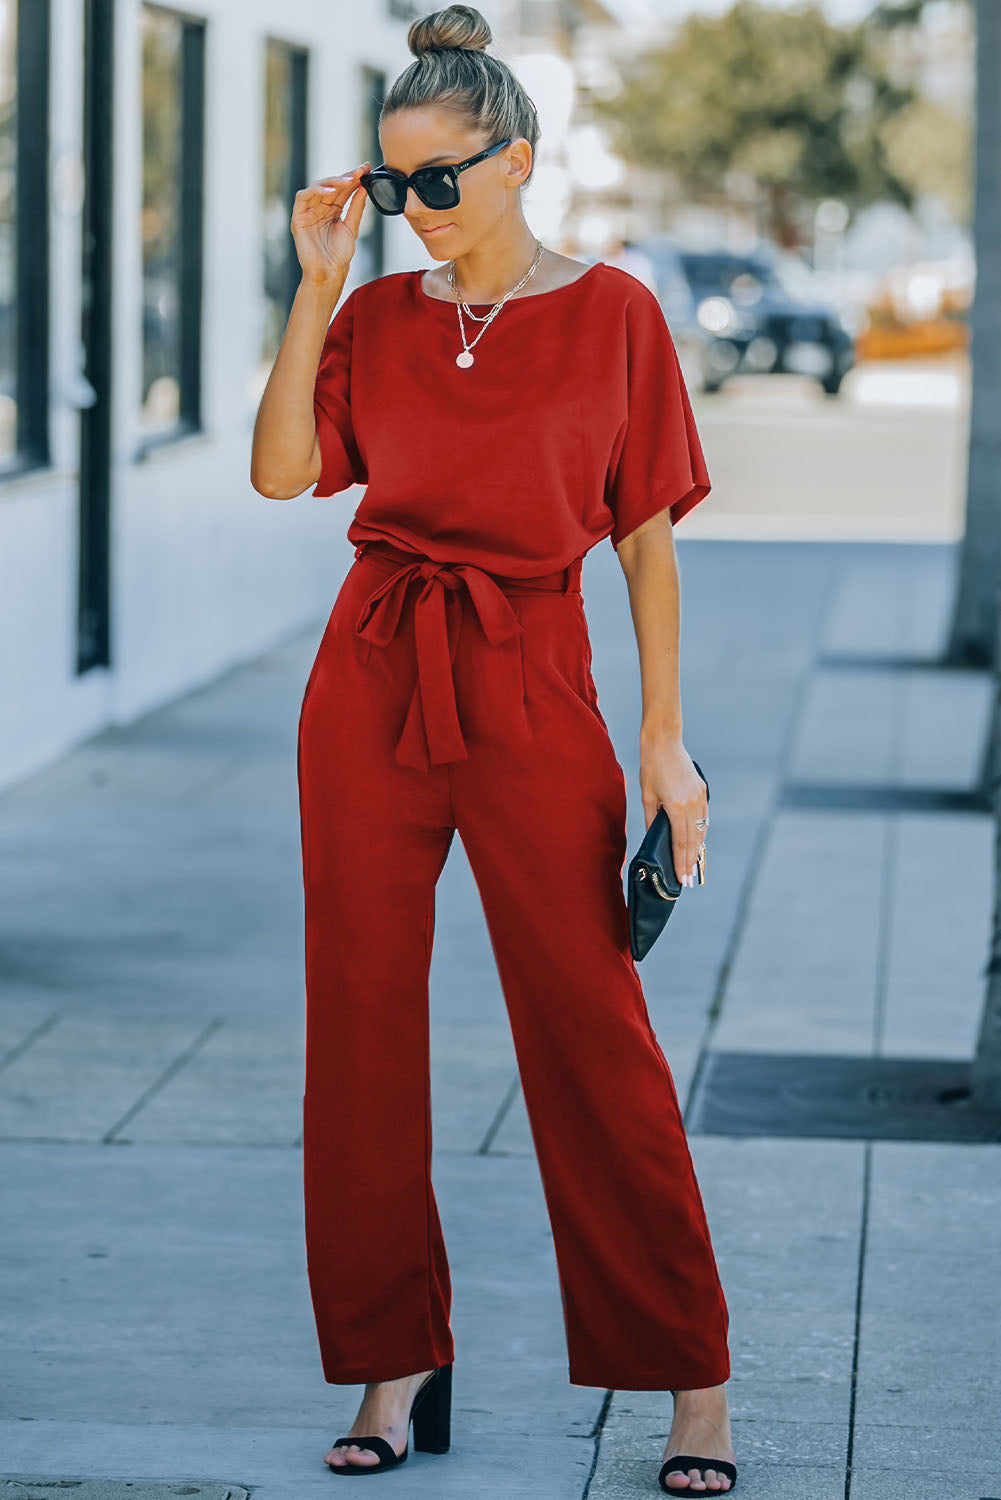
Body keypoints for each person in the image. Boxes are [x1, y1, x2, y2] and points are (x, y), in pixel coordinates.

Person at [250, 5, 737, 1494]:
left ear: (517, 162)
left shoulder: (615, 316)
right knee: (361, 1030)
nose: (413, 215)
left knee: (591, 1035)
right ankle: (397, 1363)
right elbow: (282, 473)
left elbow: (644, 541)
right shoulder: (379, 317)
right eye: (390, 189)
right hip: (373, 676)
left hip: (533, 684)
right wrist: (317, 288)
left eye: (436, 185)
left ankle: (690, 1384)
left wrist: (663, 742)